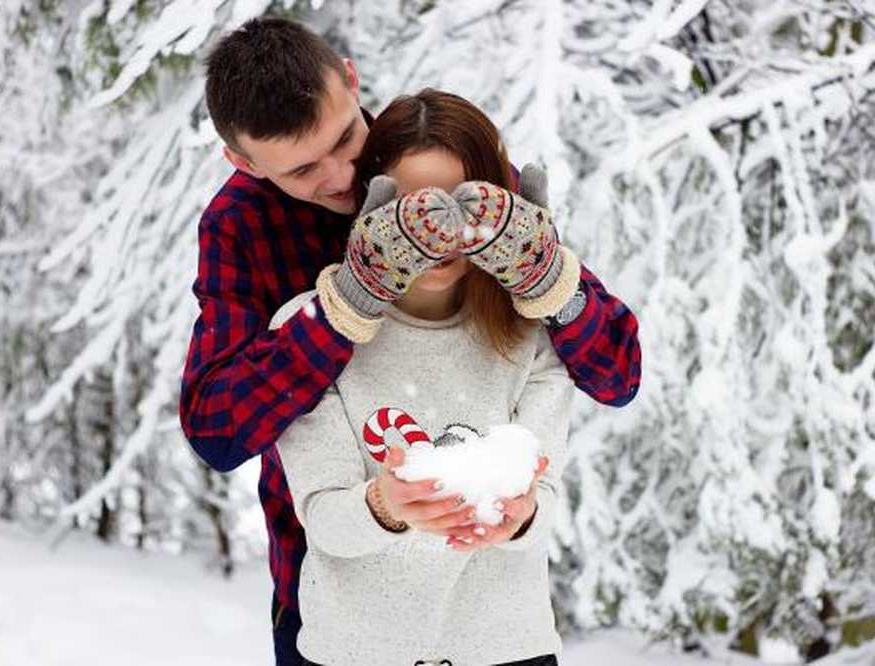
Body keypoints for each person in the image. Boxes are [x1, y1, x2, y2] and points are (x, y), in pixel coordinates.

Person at [179, 16, 642, 665]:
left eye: (345, 139)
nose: (341, 175)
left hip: (489, 614)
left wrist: (548, 279)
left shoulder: (432, 160)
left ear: (350, 76)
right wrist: (345, 309)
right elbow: (217, 429)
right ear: (244, 162)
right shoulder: (243, 226)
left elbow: (616, 373)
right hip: (334, 599)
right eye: (303, 169)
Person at [274, 88, 572, 666]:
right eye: (416, 207)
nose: (439, 233)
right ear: (373, 208)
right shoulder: (311, 330)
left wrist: (521, 516)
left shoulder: (531, 333)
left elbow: (548, 501)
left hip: (507, 649)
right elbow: (324, 519)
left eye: (464, 207)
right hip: (354, 652)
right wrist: (386, 506)